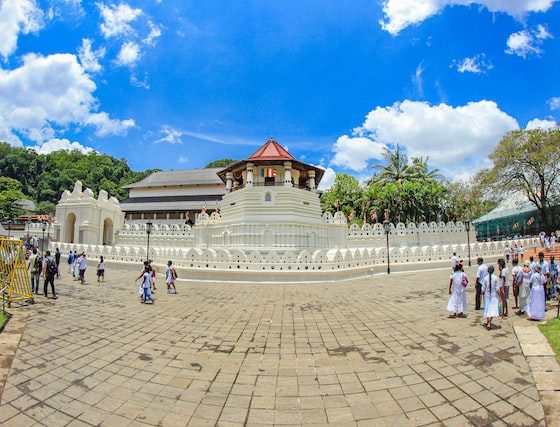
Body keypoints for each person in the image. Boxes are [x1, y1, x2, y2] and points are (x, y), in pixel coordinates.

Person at [482, 265, 500, 330]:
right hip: (493, 295)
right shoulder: (495, 278)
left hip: (487, 295)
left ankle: (488, 321)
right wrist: (500, 296)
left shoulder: (485, 278)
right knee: (492, 308)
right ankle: (489, 322)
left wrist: (482, 294)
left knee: (487, 308)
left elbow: (483, 288)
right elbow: (497, 288)